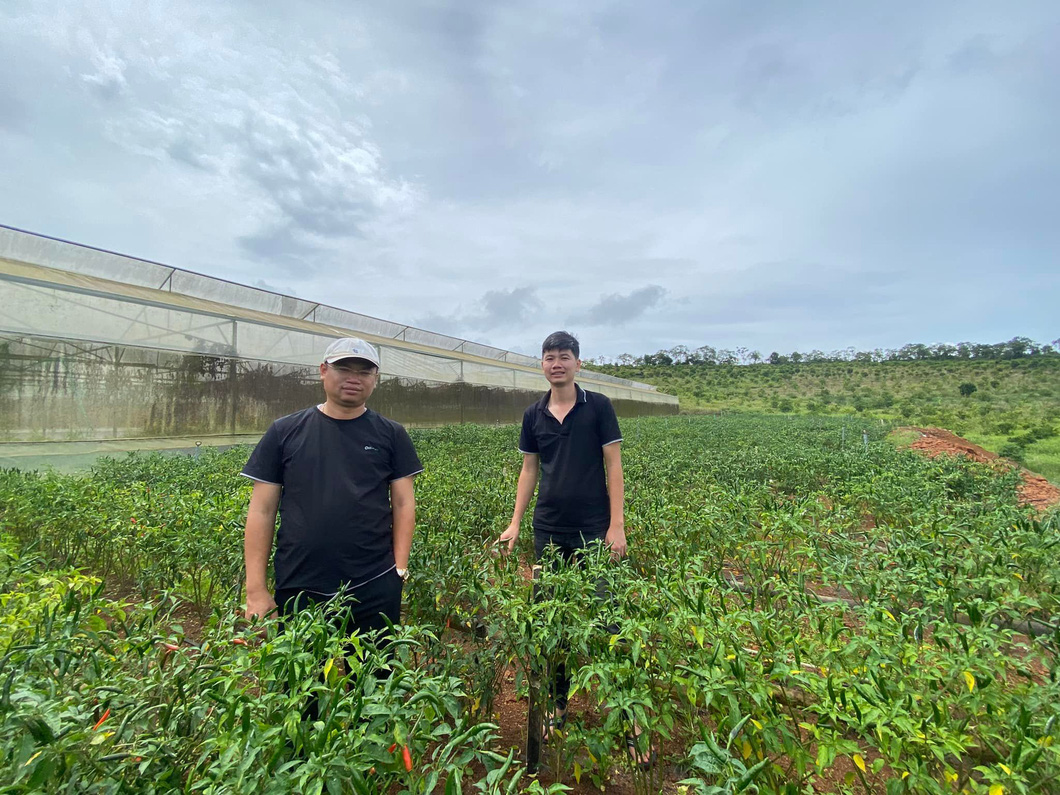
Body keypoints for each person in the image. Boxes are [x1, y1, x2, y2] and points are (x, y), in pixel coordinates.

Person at [495, 330, 653, 768]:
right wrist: (515, 523)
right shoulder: (533, 414)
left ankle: (630, 717)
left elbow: (614, 464)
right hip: (549, 531)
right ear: (542, 365)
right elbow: (529, 470)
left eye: (564, 357)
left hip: (593, 530)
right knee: (552, 620)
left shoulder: (598, 406)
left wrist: (616, 526)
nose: (556, 363)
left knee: (608, 618)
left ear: (577, 364)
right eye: (549, 357)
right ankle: (557, 704)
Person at [242, 336, 422, 648]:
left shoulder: (391, 434)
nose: (354, 378)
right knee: (302, 686)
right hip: (300, 582)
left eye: (364, 372)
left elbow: (404, 503)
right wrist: (255, 590)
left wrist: (399, 569)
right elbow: (261, 511)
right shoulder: (285, 431)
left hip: (374, 580)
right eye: (344, 369)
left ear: (375, 379)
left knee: (374, 681)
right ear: (323, 370)